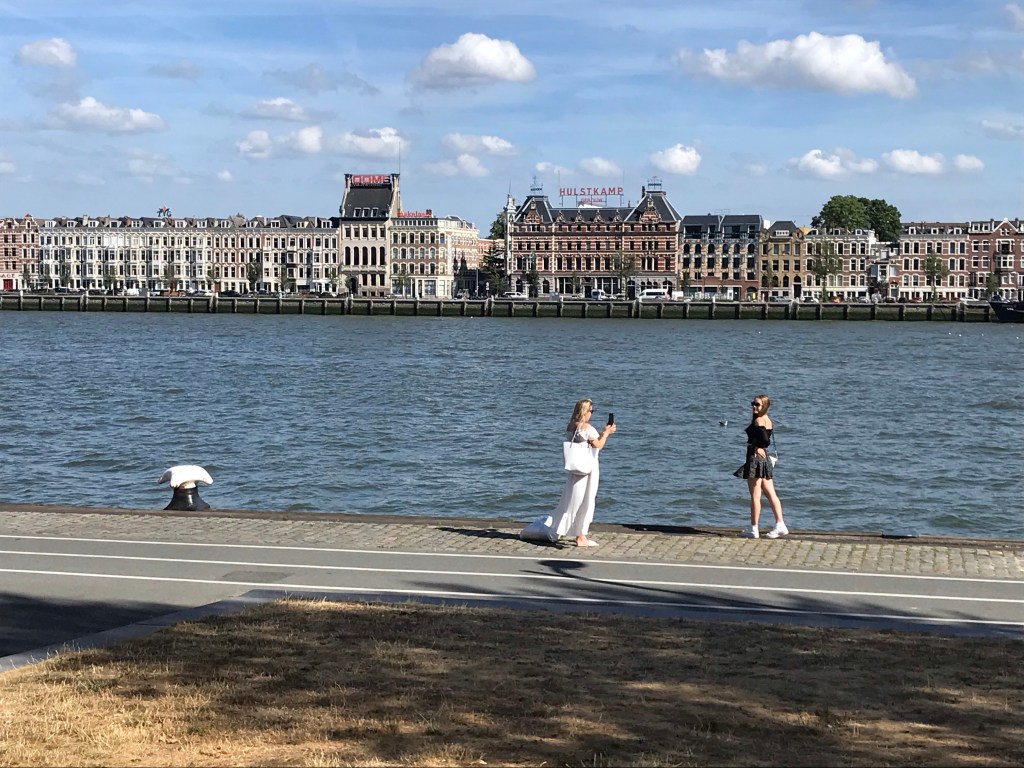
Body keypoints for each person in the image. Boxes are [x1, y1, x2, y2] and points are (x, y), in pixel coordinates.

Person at [551, 398, 616, 547]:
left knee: (573, 498)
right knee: (586, 499)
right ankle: (580, 536)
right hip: (587, 467)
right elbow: (598, 445)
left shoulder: (570, 426)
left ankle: (571, 530)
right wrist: (606, 432)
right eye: (591, 411)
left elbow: (585, 442)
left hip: (575, 467)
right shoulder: (587, 428)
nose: (591, 414)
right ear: (585, 411)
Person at [733, 394, 788, 539]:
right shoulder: (768, 420)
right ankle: (780, 524)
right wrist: (760, 446)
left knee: (755, 496)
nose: (754, 406)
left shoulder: (759, 420)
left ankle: (754, 528)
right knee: (771, 494)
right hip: (764, 460)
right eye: (753, 403)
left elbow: (764, 440)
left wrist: (758, 447)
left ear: (764, 406)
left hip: (756, 460)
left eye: (757, 404)